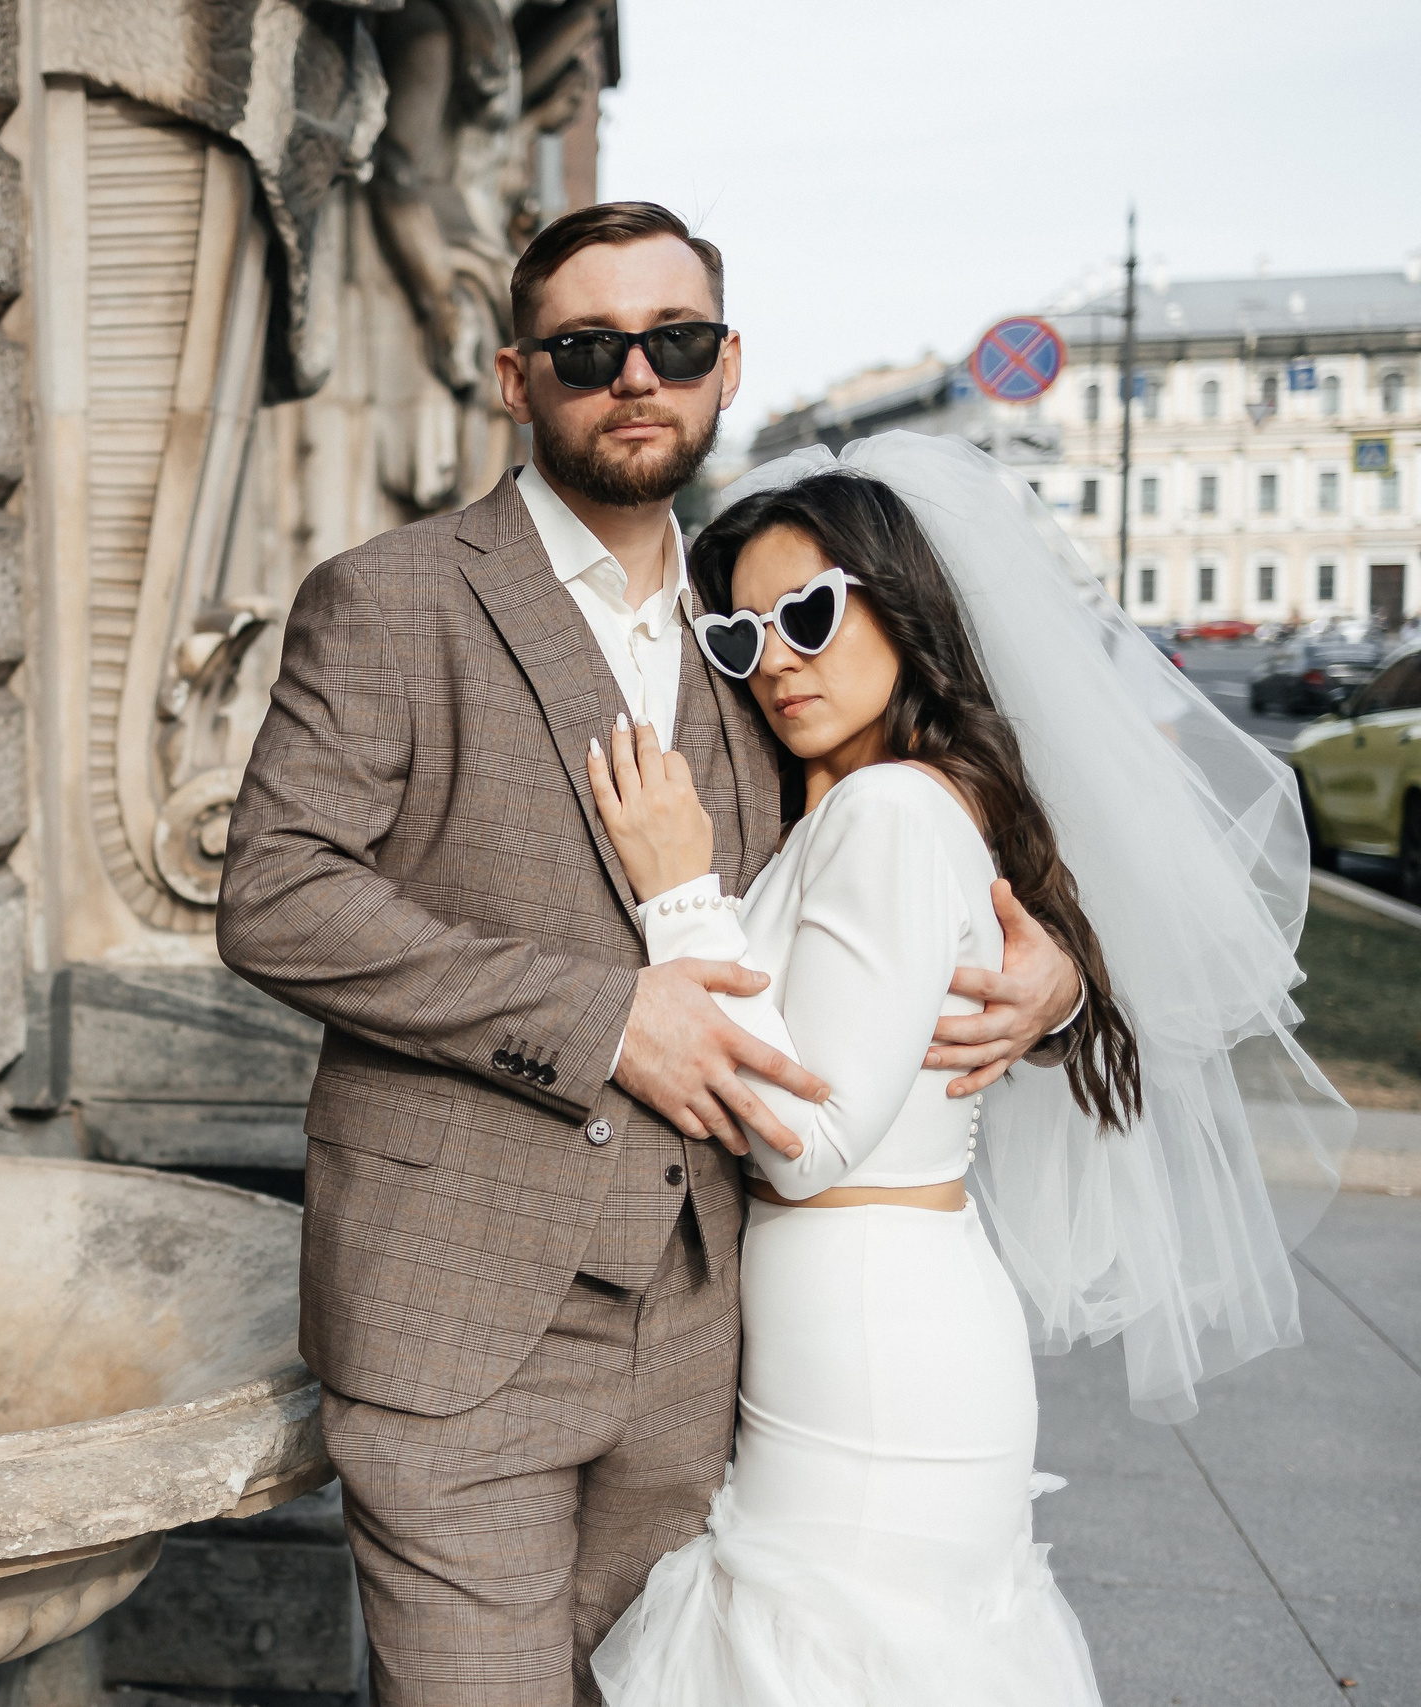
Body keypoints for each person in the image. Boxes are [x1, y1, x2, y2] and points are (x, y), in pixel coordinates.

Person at [215, 203, 1088, 1706]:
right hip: (458, 1319)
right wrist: (604, 1016)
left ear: (726, 362)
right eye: (586, 347)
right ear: (514, 377)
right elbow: (278, 893)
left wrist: (1053, 972)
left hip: (711, 1344)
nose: (636, 375)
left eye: (673, 342)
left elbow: (912, 820)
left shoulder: (758, 632)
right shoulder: (392, 597)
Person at [583, 437, 1344, 1702]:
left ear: (902, 608)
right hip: (873, 1317)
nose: (775, 659)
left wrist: (679, 897)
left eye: (811, 616)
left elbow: (809, 1137)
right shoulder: (871, 803)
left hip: (872, 1340)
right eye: (740, 637)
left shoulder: (887, 811)